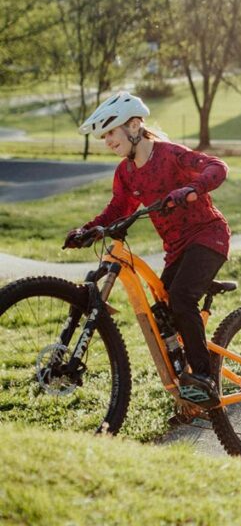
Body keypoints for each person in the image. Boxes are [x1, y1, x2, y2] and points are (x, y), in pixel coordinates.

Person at [63, 91, 230, 406]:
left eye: (111, 132)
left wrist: (192, 188)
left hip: (208, 237)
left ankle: (205, 378)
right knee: (164, 312)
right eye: (103, 136)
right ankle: (188, 387)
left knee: (180, 298)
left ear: (135, 125)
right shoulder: (126, 172)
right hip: (177, 250)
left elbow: (217, 167)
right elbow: (118, 208)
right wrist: (88, 231)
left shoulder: (169, 155)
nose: (107, 141)